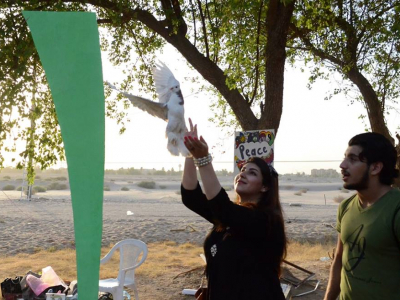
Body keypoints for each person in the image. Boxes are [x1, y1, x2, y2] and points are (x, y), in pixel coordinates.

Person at [181, 119, 287, 300]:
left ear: (264, 187)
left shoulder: (265, 221)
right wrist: (189, 153)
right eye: (243, 169)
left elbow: (223, 208)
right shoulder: (229, 215)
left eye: (252, 172)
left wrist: (203, 160)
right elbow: (191, 197)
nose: (243, 173)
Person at [324, 132, 400, 300]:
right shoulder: (345, 206)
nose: (342, 165)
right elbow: (338, 260)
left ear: (375, 168)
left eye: (352, 159)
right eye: (345, 158)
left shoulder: (396, 209)